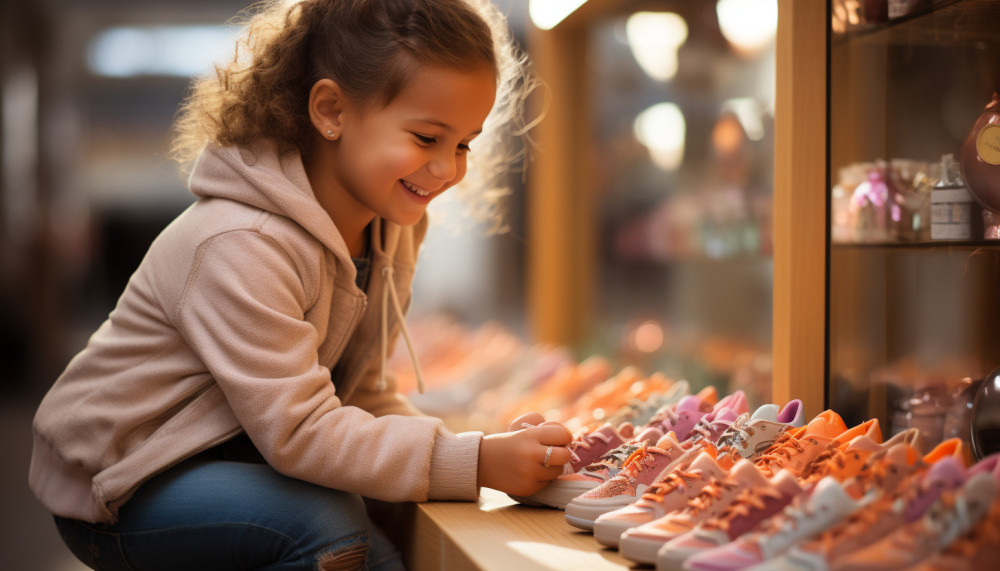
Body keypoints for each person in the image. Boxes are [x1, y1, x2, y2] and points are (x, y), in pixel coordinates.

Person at [28, 0, 572, 569]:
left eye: (463, 143)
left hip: (237, 457)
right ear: (332, 109)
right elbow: (299, 431)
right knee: (323, 526)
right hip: (126, 481)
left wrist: (478, 451)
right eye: (426, 137)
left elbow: (356, 391)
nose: (449, 170)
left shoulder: (389, 229)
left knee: (379, 541)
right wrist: (476, 463)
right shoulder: (240, 242)